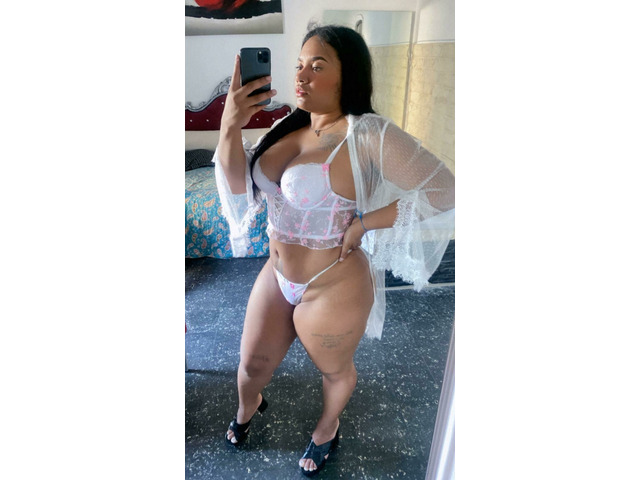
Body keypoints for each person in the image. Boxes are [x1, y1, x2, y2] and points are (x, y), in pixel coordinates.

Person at [214, 25, 455, 476]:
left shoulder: (367, 134)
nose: (301, 75)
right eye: (299, 65)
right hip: (276, 274)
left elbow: (445, 189)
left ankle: (328, 427)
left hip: (333, 282)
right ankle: (249, 405)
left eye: (317, 66)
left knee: (334, 370)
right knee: (250, 366)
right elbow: (238, 185)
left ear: (348, 75)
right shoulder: (288, 126)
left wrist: (365, 223)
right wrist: (230, 124)